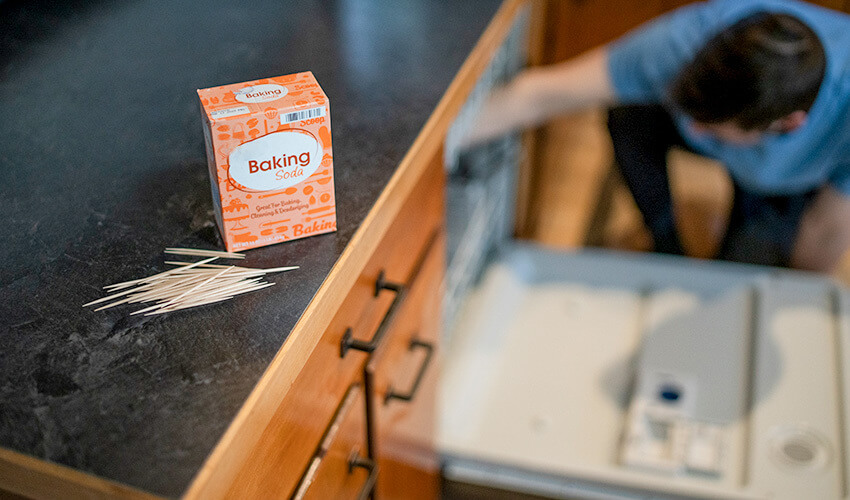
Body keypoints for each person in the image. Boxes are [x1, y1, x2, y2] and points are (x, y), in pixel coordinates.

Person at [465, 0, 850, 271]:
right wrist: (441, 143)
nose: (695, 130)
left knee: (738, 282)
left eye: (711, 124)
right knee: (630, 113)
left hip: (785, 182)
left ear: (789, 124)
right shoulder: (683, 42)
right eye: (693, 114)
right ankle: (666, 243)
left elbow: (827, 229)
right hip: (753, 139)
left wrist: (799, 298)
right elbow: (540, 95)